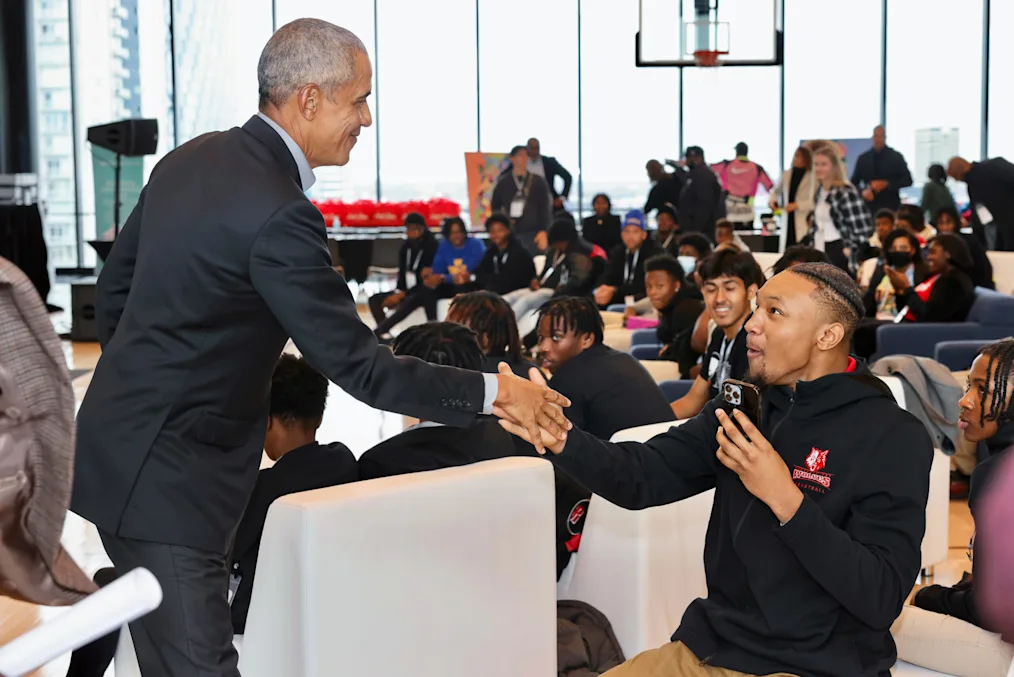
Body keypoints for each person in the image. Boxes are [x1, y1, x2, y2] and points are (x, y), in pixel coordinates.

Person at [70, 19, 570, 677]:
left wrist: (148, 378)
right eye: (358, 99)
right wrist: (497, 390)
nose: (365, 116)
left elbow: (117, 289)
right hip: (169, 484)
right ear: (309, 100)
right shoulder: (280, 212)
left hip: (125, 451)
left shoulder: (190, 158)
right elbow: (361, 366)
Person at [501, 262, 933, 677]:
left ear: (828, 335)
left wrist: (784, 497)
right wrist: (561, 437)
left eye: (774, 312)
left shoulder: (892, 436)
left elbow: (880, 596)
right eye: (758, 306)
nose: (752, 324)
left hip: (819, 665)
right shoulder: (745, 408)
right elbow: (640, 476)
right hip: (713, 648)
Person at [359, 321, 590, 580]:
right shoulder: (527, 443)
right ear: (479, 372)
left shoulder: (380, 464)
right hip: (525, 587)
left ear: (401, 382)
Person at [230, 355, 358, 634]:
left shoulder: (260, 490)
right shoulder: (345, 464)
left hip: (263, 620)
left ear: (265, 420)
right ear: (320, 417)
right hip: (337, 609)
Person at [911, 339, 1014, 630]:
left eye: (983, 390)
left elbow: (990, 610)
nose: (965, 400)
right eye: (969, 385)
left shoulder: (998, 476)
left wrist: (929, 597)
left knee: (896, 626)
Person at [535, 296, 675, 440]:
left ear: (587, 339)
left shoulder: (567, 379)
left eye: (556, 337)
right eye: (540, 338)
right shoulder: (623, 358)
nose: (543, 347)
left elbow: (560, 445)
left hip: (635, 458)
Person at [852, 233, 977, 359]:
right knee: (856, 323)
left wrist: (907, 289)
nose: (928, 257)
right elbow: (910, 308)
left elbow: (929, 316)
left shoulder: (955, 282)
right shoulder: (937, 277)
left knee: (862, 332)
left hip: (925, 332)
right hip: (911, 324)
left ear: (948, 254)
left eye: (933, 252)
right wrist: (900, 291)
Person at [670, 250, 759, 419]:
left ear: (751, 291)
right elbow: (693, 400)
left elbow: (743, 417)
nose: (719, 298)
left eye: (729, 288)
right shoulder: (719, 336)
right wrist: (645, 420)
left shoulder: (754, 342)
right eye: (711, 289)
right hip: (710, 428)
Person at [373, 216, 484, 338]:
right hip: (448, 285)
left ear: (464, 232)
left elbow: (470, 271)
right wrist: (433, 276)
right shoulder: (444, 246)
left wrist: (444, 277)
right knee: (424, 292)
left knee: (455, 289)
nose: (456, 236)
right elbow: (438, 268)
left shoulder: (476, 245)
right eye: (452, 233)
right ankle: (432, 328)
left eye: (459, 232)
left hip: (470, 285)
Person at [503, 215, 603, 319]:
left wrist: (560, 291)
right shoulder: (553, 251)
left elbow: (577, 281)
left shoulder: (579, 254)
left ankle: (507, 327)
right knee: (510, 297)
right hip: (542, 287)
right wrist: (536, 280)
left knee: (525, 301)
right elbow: (546, 270)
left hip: (555, 293)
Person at [367, 212, 437, 329]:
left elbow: (426, 280)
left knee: (408, 302)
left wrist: (402, 295)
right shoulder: (406, 247)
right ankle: (386, 335)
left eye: (410, 229)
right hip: (404, 290)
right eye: (407, 229)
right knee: (374, 300)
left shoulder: (432, 247)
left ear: (420, 229)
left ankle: (380, 331)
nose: (407, 232)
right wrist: (398, 292)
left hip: (421, 292)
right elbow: (402, 274)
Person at [810, 144, 874, 272]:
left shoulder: (845, 192)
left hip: (838, 249)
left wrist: (849, 249)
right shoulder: (820, 191)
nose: (818, 168)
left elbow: (864, 228)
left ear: (833, 166)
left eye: (823, 164)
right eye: (816, 164)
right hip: (820, 248)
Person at [446, 291, 539, 378]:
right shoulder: (531, 371)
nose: (445, 335)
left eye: (453, 328)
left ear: (486, 336)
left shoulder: (460, 374)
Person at [644, 254, 706, 374]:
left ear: (676, 285)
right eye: (649, 286)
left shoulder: (687, 310)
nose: (652, 292)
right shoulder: (671, 304)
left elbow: (684, 356)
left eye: (659, 286)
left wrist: (670, 348)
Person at [593, 209, 664, 308]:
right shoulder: (618, 252)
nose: (630, 237)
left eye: (635, 232)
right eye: (626, 231)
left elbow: (643, 285)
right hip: (621, 297)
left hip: (645, 299)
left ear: (644, 235)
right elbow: (607, 275)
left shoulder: (654, 253)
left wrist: (615, 290)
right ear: (621, 234)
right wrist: (602, 288)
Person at [491, 144, 553, 254]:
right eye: (520, 155)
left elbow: (545, 207)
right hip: (511, 233)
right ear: (512, 158)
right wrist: (500, 230)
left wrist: (544, 231)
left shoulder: (537, 181)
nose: (524, 159)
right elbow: (495, 207)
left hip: (533, 233)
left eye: (526, 156)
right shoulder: (503, 182)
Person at [947, 155, 1014, 251]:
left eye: (956, 177)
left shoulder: (990, 170)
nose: (958, 181)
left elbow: (980, 212)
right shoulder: (992, 167)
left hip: (1002, 227)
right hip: (1000, 228)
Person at [861, 229, 930, 319]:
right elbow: (869, 301)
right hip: (878, 320)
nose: (898, 251)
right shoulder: (882, 270)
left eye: (903, 248)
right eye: (893, 248)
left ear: (913, 250)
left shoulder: (922, 272)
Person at [850, 125, 914, 212]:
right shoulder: (863, 158)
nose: (878, 139)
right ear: (873, 137)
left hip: (890, 206)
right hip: (869, 206)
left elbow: (908, 180)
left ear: (885, 138)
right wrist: (862, 192)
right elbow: (853, 183)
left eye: (881, 136)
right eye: (876, 136)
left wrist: (887, 183)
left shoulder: (896, 157)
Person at [710, 142, 774, 227]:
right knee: (749, 239)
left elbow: (708, 168)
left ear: (736, 152)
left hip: (729, 212)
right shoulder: (757, 168)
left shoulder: (726, 165)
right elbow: (770, 186)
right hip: (748, 212)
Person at [500, 137, 572, 211]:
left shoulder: (549, 162)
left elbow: (567, 177)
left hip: (548, 204)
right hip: (523, 205)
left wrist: (562, 197)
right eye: (532, 148)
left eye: (536, 148)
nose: (534, 151)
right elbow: (502, 177)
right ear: (527, 148)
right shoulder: (518, 162)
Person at [474, 213, 535, 296]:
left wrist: (490, 280)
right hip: (495, 293)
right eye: (492, 231)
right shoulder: (491, 252)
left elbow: (512, 280)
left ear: (508, 230)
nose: (496, 235)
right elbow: (480, 274)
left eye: (500, 230)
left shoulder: (519, 252)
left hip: (519, 293)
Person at [934, 205, 993, 289]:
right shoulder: (934, 244)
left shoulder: (970, 241)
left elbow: (984, 270)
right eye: (941, 223)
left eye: (948, 222)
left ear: (956, 223)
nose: (945, 227)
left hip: (975, 286)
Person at [770, 145, 815, 248]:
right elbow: (776, 191)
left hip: (803, 217)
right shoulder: (787, 174)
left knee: (802, 247)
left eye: (801, 156)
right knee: (788, 248)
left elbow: (815, 201)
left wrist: (797, 205)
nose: (797, 159)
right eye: (796, 156)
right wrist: (773, 201)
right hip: (788, 218)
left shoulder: (813, 176)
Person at [678, 146, 723, 240]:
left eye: (688, 158)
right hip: (698, 230)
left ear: (697, 158)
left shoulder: (703, 176)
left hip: (701, 232)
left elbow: (705, 206)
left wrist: (695, 231)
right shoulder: (696, 174)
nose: (685, 162)